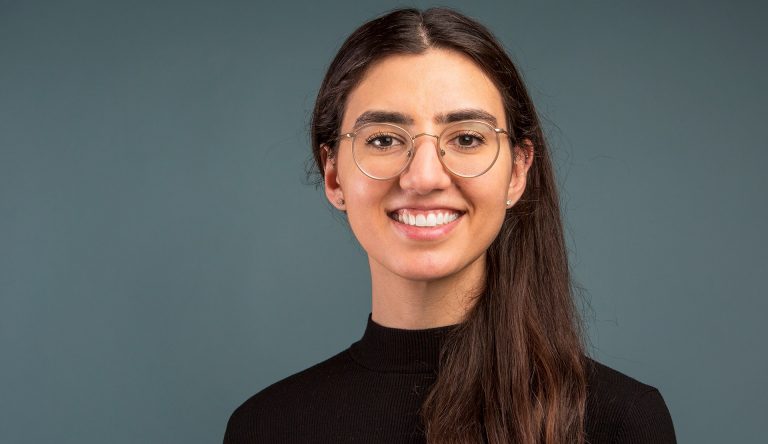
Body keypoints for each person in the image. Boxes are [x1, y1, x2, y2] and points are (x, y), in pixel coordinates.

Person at [224, 7, 676, 444]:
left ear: (517, 172)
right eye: (383, 139)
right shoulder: (264, 428)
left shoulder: (617, 423)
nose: (424, 177)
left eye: (466, 138)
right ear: (334, 175)